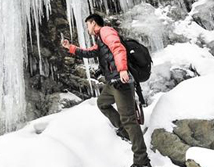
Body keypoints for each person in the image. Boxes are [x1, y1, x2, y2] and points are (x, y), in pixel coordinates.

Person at [61, 13, 151, 167]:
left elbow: (118, 48)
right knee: (102, 103)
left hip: (121, 82)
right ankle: (125, 131)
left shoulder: (106, 32)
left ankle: (141, 160)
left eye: (87, 25)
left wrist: (122, 70)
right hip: (112, 83)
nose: (87, 28)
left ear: (93, 23)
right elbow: (90, 52)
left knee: (129, 120)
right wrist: (71, 48)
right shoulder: (100, 39)